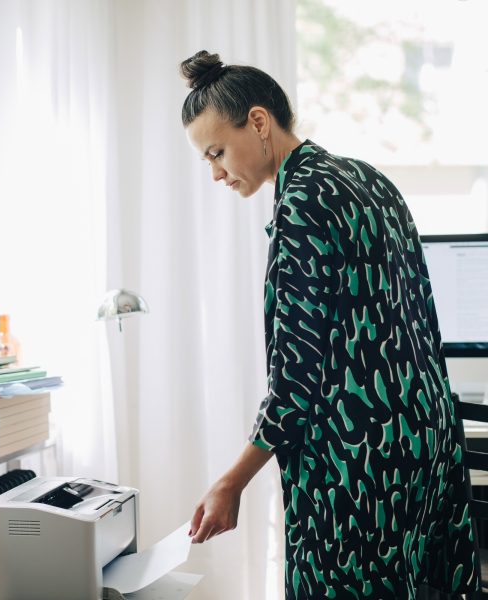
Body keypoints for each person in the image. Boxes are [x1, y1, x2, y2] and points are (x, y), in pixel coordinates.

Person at [179, 50, 479, 600]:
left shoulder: (303, 201)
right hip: (425, 448)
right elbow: (423, 320)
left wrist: (231, 482)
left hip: (359, 467)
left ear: (260, 122)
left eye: (217, 152)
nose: (217, 172)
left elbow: (296, 379)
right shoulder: (368, 178)